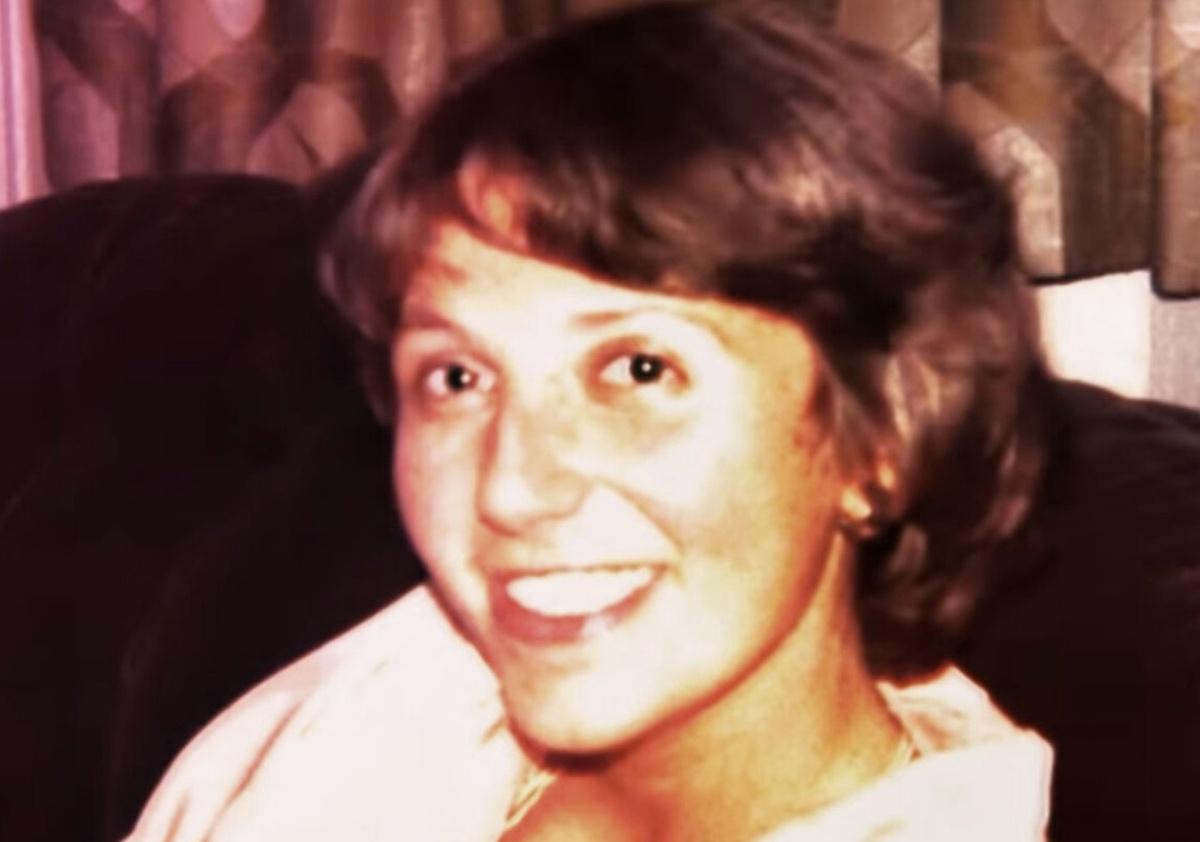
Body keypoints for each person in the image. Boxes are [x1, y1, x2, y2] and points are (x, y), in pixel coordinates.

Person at [124, 1, 1053, 839]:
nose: (509, 490)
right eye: (456, 377)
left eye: (640, 368)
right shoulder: (376, 704)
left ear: (881, 442)